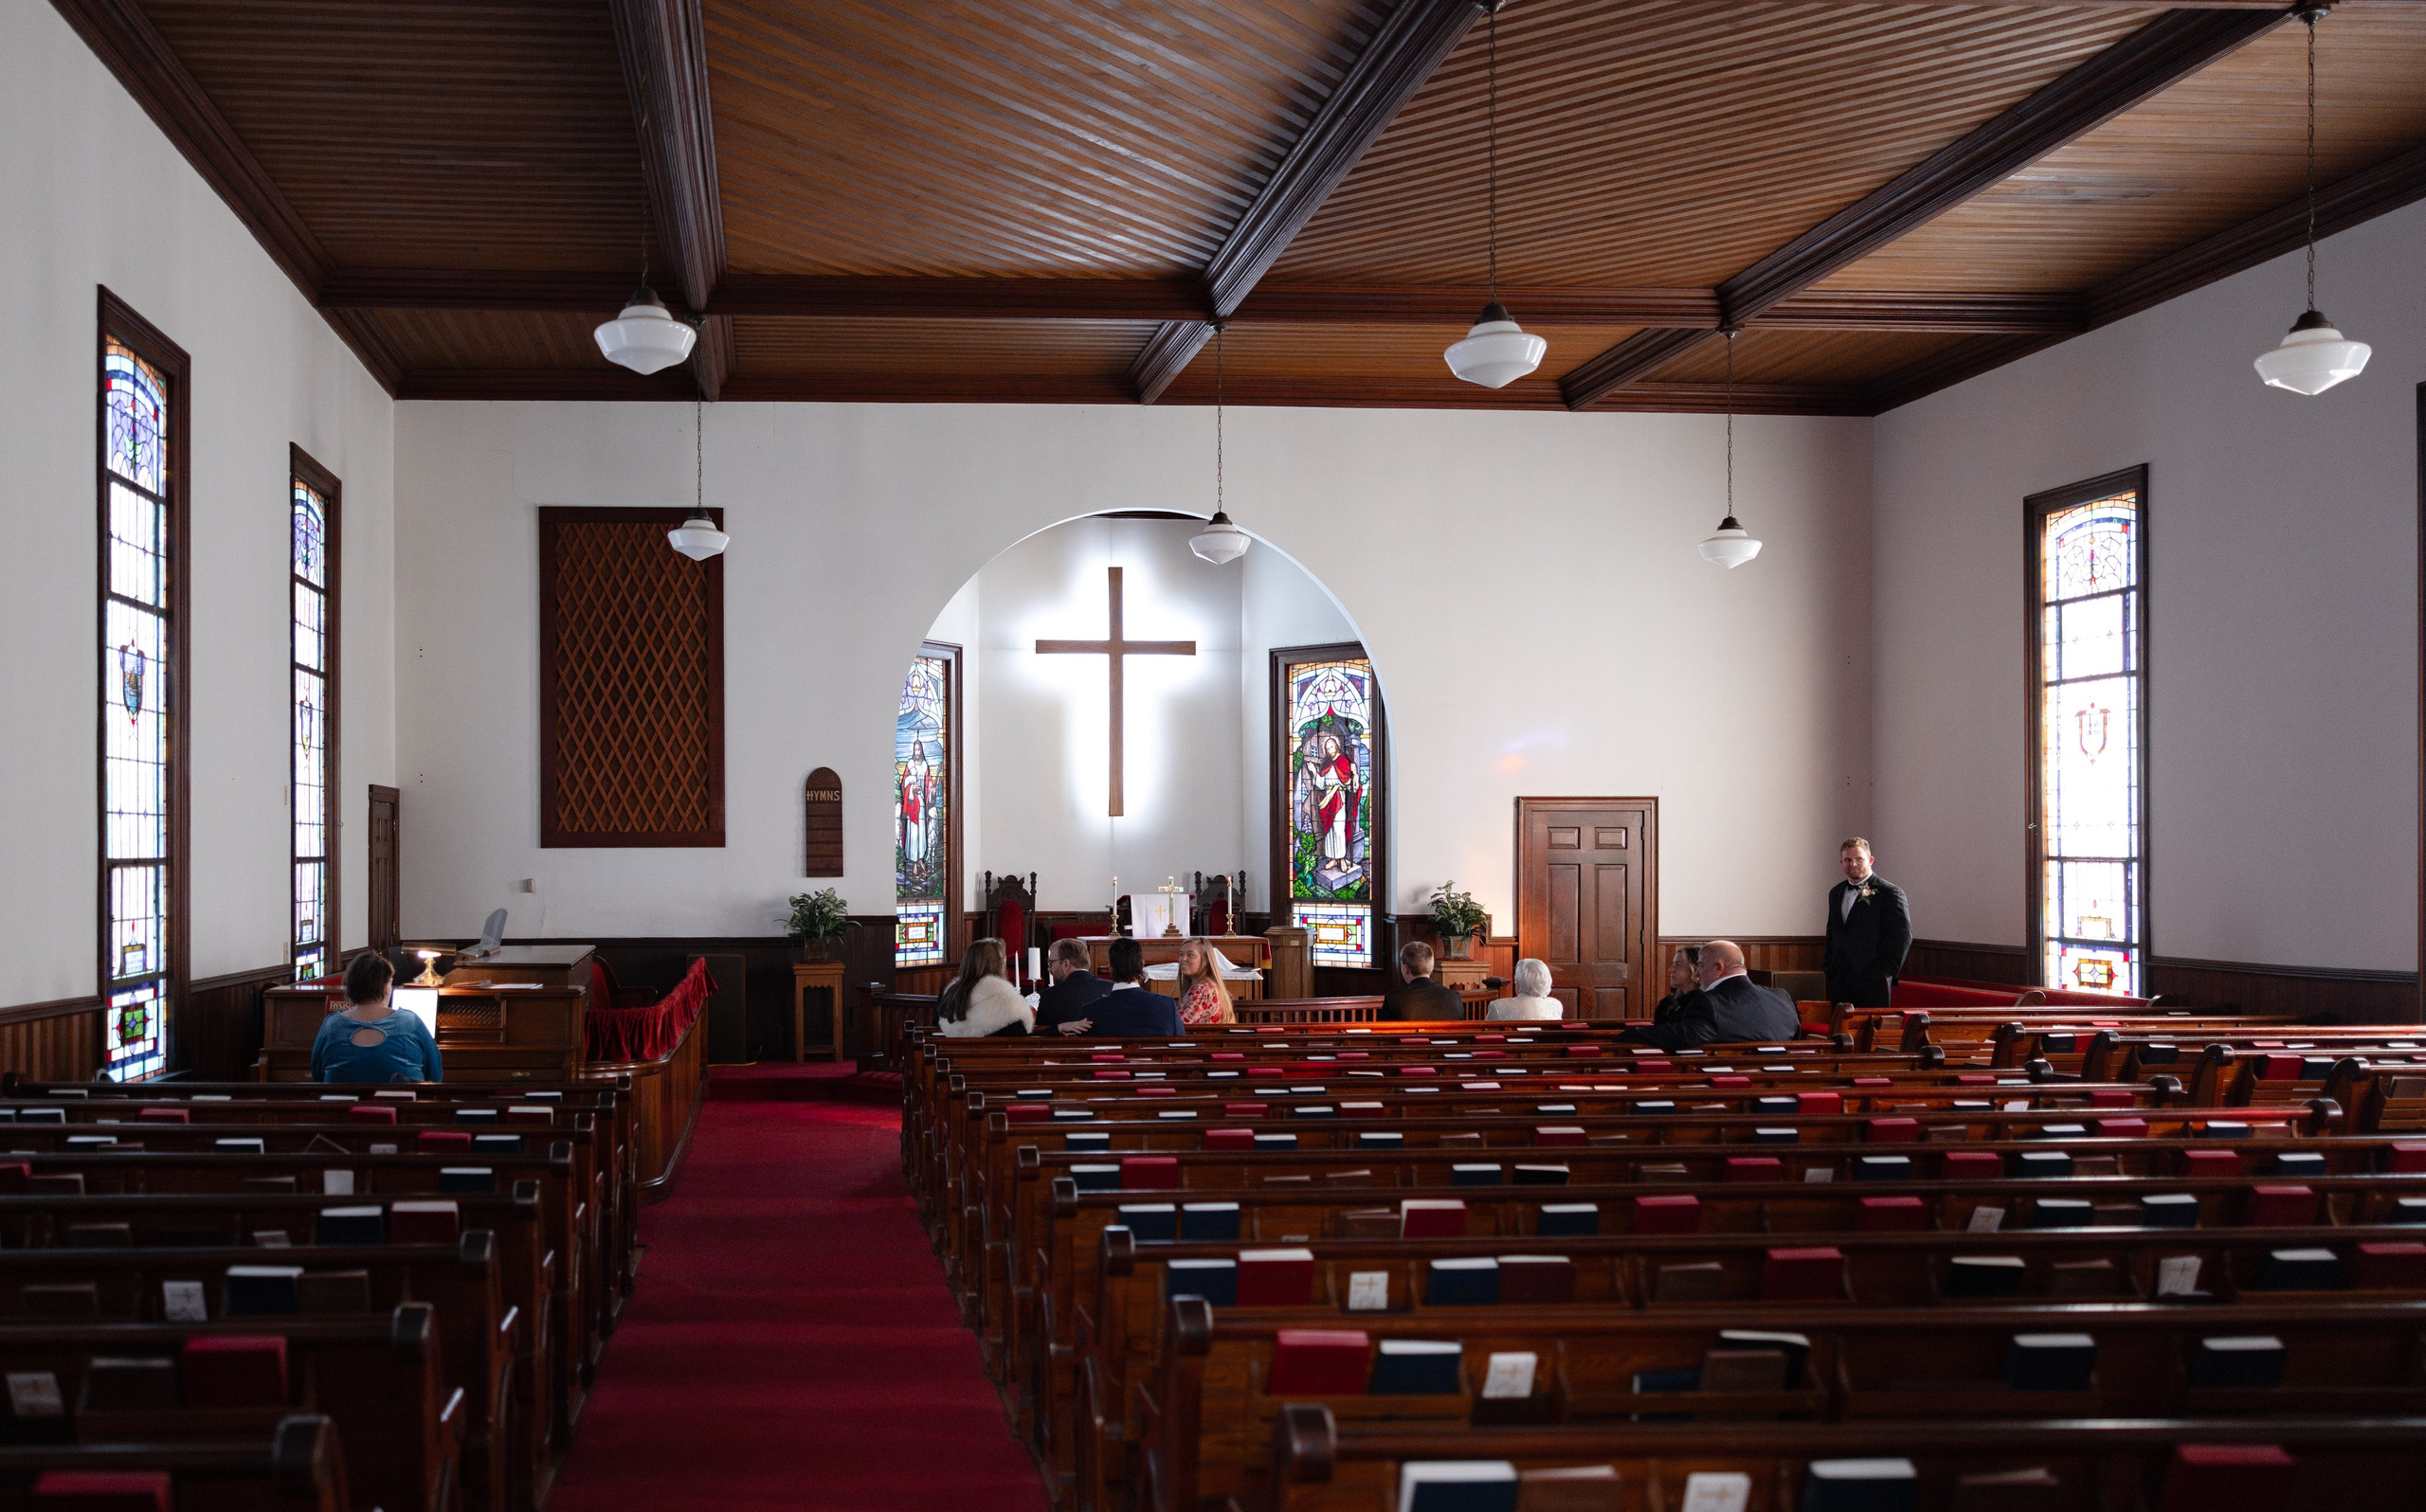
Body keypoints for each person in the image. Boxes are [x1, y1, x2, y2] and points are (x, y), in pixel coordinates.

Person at [1619, 940, 1798, 1051]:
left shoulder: (1709, 1002)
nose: (1698, 973)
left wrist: (1631, 1034)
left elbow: (1685, 1036)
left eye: (1701, 966)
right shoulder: (1781, 996)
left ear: (1718, 968)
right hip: (1786, 1081)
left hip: (1730, 1085)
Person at [312, 951, 443, 1083]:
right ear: (386, 988)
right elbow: (434, 1075)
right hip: (402, 1103)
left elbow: (317, 1076)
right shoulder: (410, 1021)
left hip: (343, 1103)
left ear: (349, 987)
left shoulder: (332, 1025)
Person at [1823, 837, 1911, 1009]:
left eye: (1859, 859)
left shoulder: (1890, 893)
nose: (1853, 864)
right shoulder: (1836, 892)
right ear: (1841, 862)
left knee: (1869, 1032)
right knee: (1840, 1033)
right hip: (1840, 979)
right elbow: (1832, 933)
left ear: (1870, 860)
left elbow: (1902, 936)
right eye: (1848, 860)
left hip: (1873, 980)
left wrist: (1886, 972)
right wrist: (1830, 967)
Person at [1067, 937, 1186, 1037]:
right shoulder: (1167, 1005)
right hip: (1154, 1065)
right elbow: (1181, 1046)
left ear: (1110, 968)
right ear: (1141, 966)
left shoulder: (1090, 1010)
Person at [934, 937, 1033, 1038]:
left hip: (951, 1053)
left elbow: (936, 1029)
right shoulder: (1009, 1003)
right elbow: (1020, 1043)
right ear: (1000, 966)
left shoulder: (949, 995)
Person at [1038, 937, 1115, 1034]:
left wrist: (1059, 1028)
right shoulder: (1111, 988)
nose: (1049, 969)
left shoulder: (1048, 997)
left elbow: (1040, 1036)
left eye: (1050, 963)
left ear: (1066, 964)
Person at [1381, 941, 1465, 1022]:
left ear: (1406, 969)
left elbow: (1386, 1035)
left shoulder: (1393, 999)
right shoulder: (1454, 997)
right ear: (1431, 966)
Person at [1173, 937, 1233, 1027]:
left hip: (1200, 1040)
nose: (1183, 959)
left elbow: (1177, 1023)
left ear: (1205, 960)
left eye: (1190, 955)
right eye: (1181, 954)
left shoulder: (1201, 988)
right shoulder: (1208, 984)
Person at [1484, 958, 1563, 1020]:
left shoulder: (1498, 1006)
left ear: (1517, 984)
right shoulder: (1555, 1005)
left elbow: (1489, 1035)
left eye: (1515, 981)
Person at [1652, 945, 1703, 1025]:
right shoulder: (1668, 1001)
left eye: (1678, 964)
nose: (1671, 969)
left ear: (1694, 968)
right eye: (1673, 964)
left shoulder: (1702, 1002)